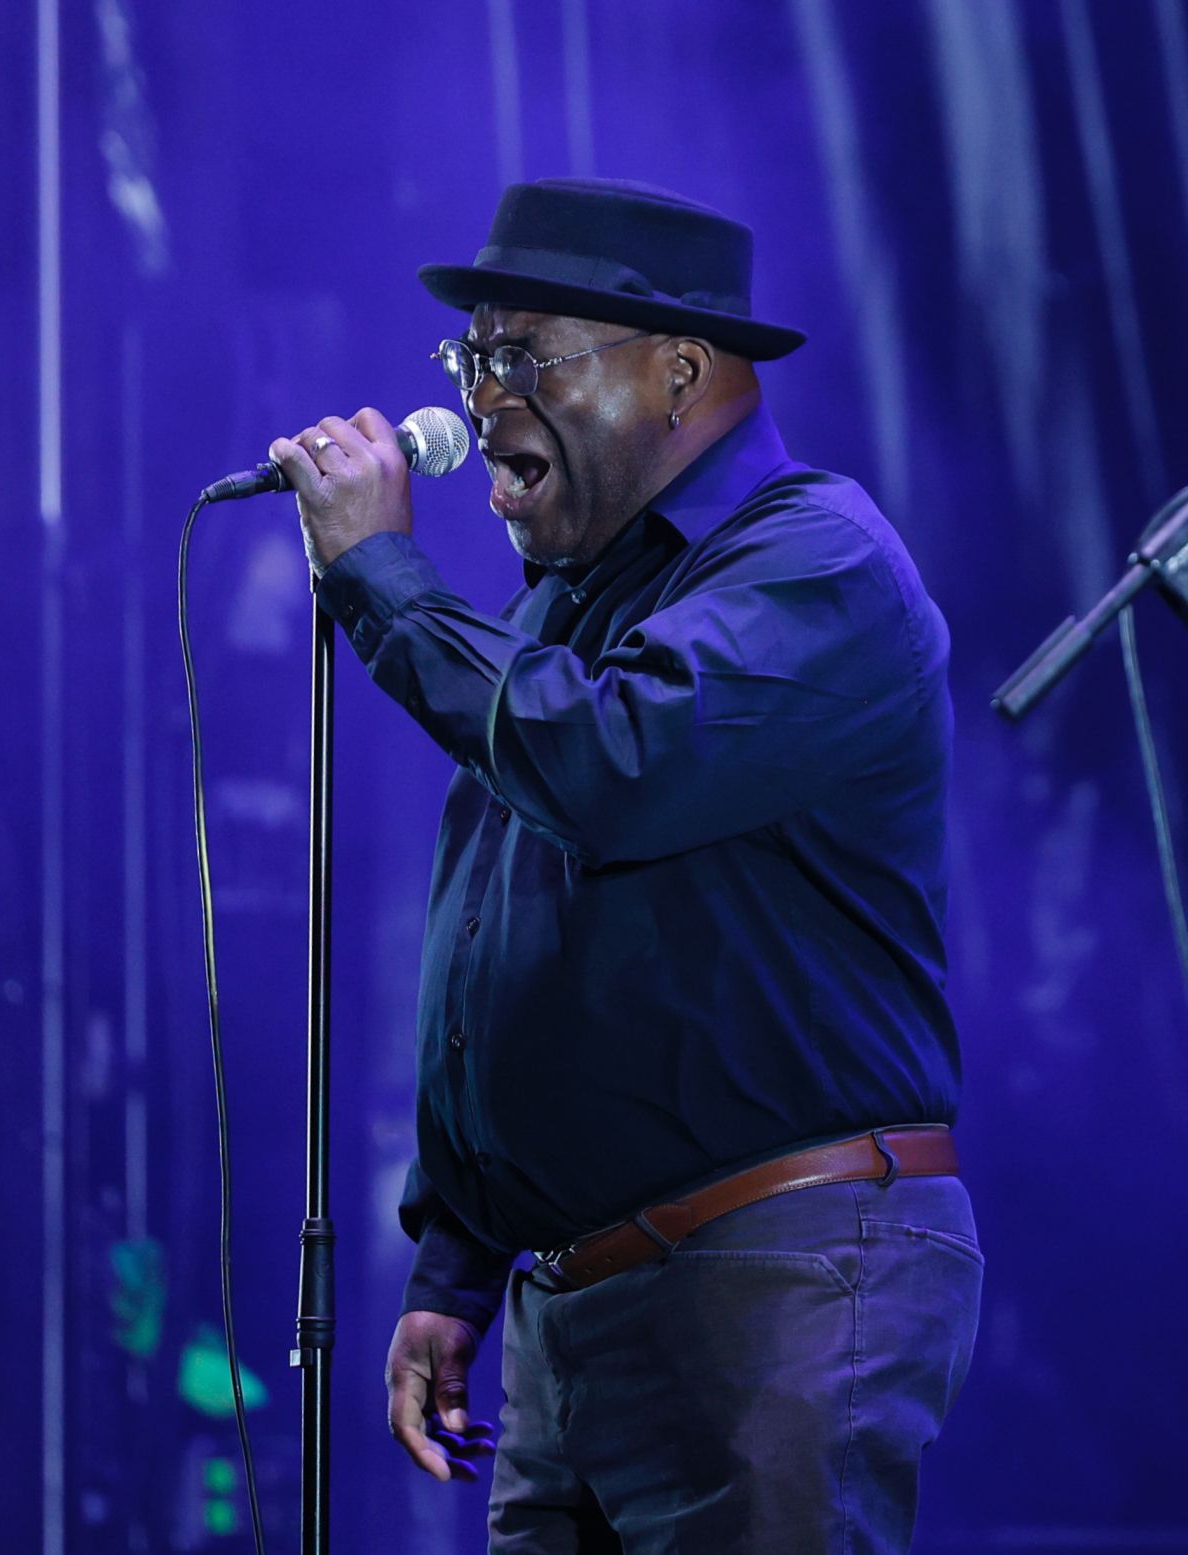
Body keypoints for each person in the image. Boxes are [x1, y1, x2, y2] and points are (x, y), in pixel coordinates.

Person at [267, 180, 980, 1552]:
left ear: (683, 372)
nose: (481, 398)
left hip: (774, 1273)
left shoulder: (816, 563)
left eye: (523, 354)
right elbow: (500, 942)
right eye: (472, 358)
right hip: (581, 1298)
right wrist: (458, 1258)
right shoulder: (567, 606)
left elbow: (615, 764)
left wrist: (383, 581)